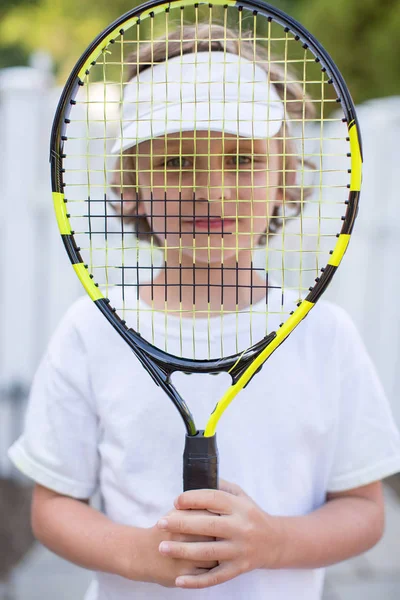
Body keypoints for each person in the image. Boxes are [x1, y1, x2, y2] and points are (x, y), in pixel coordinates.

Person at [8, 24, 400, 600]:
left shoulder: (326, 337)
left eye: (241, 160)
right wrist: (135, 555)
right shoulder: (91, 332)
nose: (211, 189)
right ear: (132, 183)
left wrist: (274, 543)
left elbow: (364, 511)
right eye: (177, 162)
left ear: (283, 178)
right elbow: (53, 506)